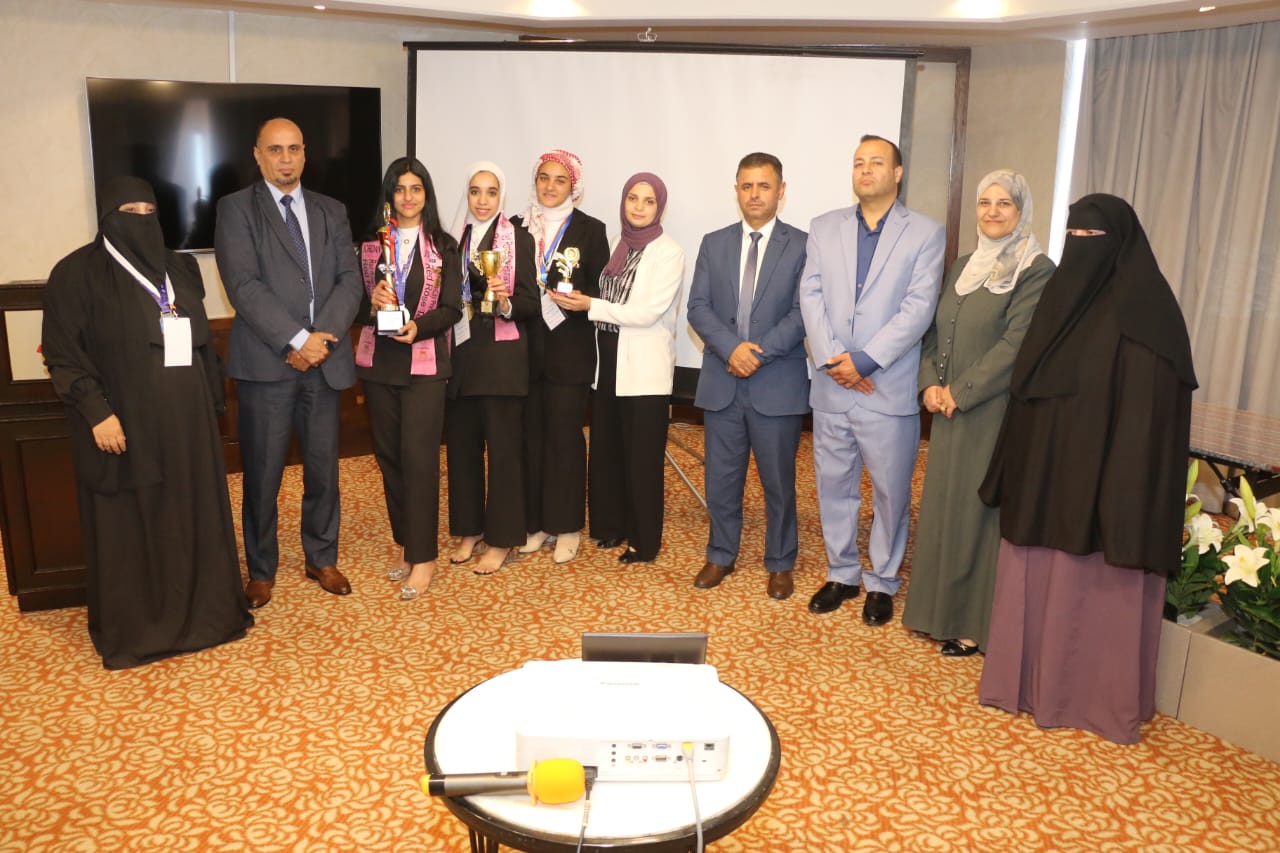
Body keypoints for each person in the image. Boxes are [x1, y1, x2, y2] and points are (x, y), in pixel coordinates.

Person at [977, 194, 1197, 744]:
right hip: (1046, 477)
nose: (1080, 248)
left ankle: (1093, 698)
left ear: (1120, 244)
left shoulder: (1149, 316)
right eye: (1072, 236)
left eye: (1091, 238)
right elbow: (1026, 389)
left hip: (1108, 487)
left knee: (1094, 587)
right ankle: (1023, 684)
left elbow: (1151, 416)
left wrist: (1116, 483)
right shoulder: (1058, 301)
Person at [42, 176, 252, 669]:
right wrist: (97, 413)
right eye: (128, 211)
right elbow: (63, 353)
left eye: (148, 210)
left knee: (191, 513)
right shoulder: (76, 273)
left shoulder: (179, 268)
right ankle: (145, 631)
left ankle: (207, 618)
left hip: (188, 425)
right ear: (107, 217)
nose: (141, 219)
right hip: (125, 425)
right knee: (136, 520)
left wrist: (212, 405)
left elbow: (201, 343)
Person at [900, 170, 1054, 656]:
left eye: (1004, 203)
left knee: (976, 516)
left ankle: (971, 625)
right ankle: (933, 611)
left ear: (1021, 211)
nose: (992, 211)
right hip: (948, 408)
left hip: (991, 411)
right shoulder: (965, 265)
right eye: (985, 202)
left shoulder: (1036, 270)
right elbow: (934, 330)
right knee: (944, 508)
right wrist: (929, 383)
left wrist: (960, 391)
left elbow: (1017, 345)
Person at [215, 117, 363, 609]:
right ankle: (261, 570)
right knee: (262, 474)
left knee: (323, 471)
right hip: (267, 365)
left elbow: (350, 280)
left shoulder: (331, 210)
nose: (285, 158)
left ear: (305, 154)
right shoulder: (236, 209)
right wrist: (297, 340)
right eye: (275, 149)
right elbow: (243, 285)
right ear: (257, 155)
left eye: (294, 149)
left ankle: (321, 557)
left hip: (325, 360)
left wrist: (322, 340)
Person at [799, 134, 945, 625]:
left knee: (890, 492)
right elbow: (810, 295)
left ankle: (882, 580)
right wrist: (835, 361)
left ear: (897, 173)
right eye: (859, 162)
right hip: (832, 386)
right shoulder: (824, 227)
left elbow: (918, 309)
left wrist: (864, 361)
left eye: (876, 162)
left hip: (887, 386)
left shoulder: (925, 233)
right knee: (833, 487)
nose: (865, 170)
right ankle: (841, 573)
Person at [686, 152, 809, 600]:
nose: (754, 194)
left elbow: (803, 312)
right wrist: (731, 349)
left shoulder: (803, 245)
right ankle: (721, 554)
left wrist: (756, 353)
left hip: (776, 383)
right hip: (722, 381)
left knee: (779, 482)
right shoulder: (713, 242)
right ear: (736, 190)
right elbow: (698, 307)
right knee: (721, 480)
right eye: (746, 186)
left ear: (781, 191)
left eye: (764, 186)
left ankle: (780, 561)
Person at [550, 173, 684, 565]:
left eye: (648, 201)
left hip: (644, 366)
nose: (639, 207)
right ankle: (612, 526)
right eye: (632, 199)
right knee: (608, 449)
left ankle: (644, 542)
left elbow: (647, 312)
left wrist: (589, 304)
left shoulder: (669, 252)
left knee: (641, 459)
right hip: (606, 360)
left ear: (660, 207)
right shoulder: (617, 243)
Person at [356, 157, 462, 600]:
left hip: (425, 363)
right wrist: (372, 304)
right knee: (390, 459)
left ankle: (424, 557)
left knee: (419, 461)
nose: (408, 197)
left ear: (426, 194)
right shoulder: (370, 246)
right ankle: (406, 545)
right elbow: (353, 307)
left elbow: (453, 309)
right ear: (389, 196)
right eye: (399, 189)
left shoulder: (445, 246)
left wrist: (420, 326)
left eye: (416, 188)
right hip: (380, 364)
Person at [509, 150, 609, 565]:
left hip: (570, 351)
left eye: (560, 180)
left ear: (574, 187)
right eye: (544, 178)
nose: (550, 186)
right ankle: (536, 523)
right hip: (522, 350)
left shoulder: (591, 230)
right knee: (529, 438)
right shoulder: (514, 227)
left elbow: (601, 291)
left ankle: (566, 526)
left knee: (564, 439)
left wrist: (582, 300)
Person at [445, 162, 539, 576]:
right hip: (461, 358)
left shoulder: (519, 239)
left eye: (491, 192)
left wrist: (505, 302)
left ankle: (501, 539)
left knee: (503, 454)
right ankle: (469, 530)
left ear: (502, 196)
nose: (482, 200)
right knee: (462, 450)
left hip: (502, 361)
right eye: (475, 191)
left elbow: (531, 304)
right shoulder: (452, 240)